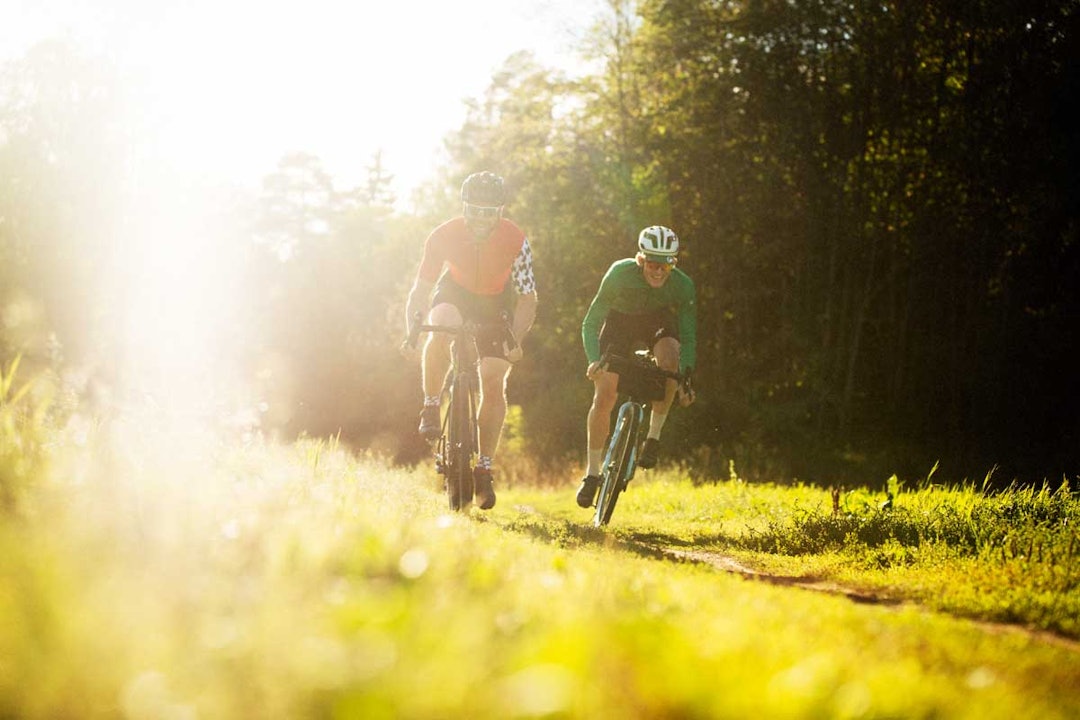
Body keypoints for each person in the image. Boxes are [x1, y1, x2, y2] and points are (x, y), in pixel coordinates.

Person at [403, 171, 537, 510]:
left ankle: (484, 468)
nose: (480, 218)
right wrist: (412, 331)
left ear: (500, 211)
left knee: (493, 378)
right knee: (443, 325)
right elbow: (420, 291)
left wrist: (516, 340)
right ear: (464, 208)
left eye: (488, 211)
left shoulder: (516, 239)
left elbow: (528, 298)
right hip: (455, 292)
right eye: (474, 210)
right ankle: (432, 403)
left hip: (495, 303)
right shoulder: (443, 235)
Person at [575, 225, 697, 508]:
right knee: (605, 394)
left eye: (665, 266)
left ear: (673, 265)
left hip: (657, 321)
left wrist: (686, 377)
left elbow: (689, 336)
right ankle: (592, 474)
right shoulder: (619, 273)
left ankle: (653, 437)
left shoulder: (683, 285)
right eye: (652, 264)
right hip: (620, 322)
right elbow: (591, 322)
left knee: (670, 361)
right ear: (641, 260)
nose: (658, 271)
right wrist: (593, 359)